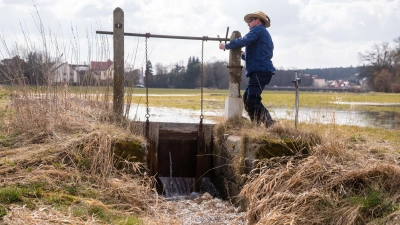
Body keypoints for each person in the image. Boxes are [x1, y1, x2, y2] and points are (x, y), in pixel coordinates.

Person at [219, 11, 276, 128]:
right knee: (247, 99)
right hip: (260, 71)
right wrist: (243, 55)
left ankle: (271, 125)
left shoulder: (258, 30)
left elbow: (244, 40)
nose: (248, 24)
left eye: (250, 20)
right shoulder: (261, 33)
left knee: (252, 100)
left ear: (258, 21)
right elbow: (258, 54)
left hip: (260, 71)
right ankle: (255, 124)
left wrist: (227, 46)